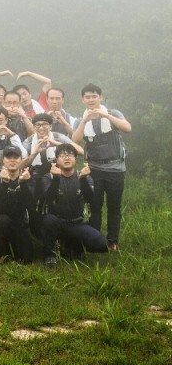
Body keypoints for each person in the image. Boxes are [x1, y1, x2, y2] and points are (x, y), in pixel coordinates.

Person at [71, 83, 131, 252]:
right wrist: (85, 120)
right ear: (83, 100)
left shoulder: (112, 113)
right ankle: (95, 239)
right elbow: (75, 140)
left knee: (114, 207)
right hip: (94, 169)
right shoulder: (79, 119)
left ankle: (113, 241)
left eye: (94, 96)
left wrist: (105, 115)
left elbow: (127, 128)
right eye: (87, 97)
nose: (91, 100)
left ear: (100, 98)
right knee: (94, 206)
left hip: (116, 168)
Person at [41, 145, 108, 265]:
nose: (67, 158)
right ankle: (50, 254)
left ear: (75, 159)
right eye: (62, 155)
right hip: (58, 223)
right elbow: (49, 199)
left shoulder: (83, 176)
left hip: (77, 223)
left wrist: (83, 179)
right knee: (48, 220)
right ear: (56, 160)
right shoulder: (49, 177)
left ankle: (73, 244)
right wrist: (56, 179)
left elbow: (91, 200)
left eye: (70, 155)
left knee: (102, 244)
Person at [20, 113, 82, 238]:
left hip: (56, 175)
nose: (41, 128)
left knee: (52, 203)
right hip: (35, 175)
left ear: (51, 126)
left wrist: (56, 144)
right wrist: (33, 154)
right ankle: (36, 232)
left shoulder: (59, 137)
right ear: (33, 127)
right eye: (37, 125)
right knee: (31, 204)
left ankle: (58, 230)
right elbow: (21, 165)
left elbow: (80, 151)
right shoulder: (29, 140)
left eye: (45, 125)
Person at [0, 146, 34, 264]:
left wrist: (23, 184)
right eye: (9, 157)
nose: (12, 160)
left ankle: (14, 249)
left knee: (26, 259)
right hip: (0, 220)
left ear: (21, 160)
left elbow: (29, 200)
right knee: (3, 220)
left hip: (18, 221)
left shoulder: (27, 177)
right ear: (3, 160)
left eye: (16, 157)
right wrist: (5, 184)